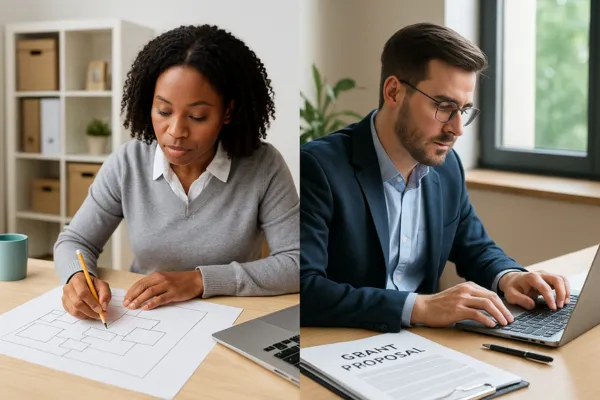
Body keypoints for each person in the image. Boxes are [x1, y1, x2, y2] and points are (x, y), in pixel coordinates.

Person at [300, 22, 570, 333]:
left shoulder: (446, 165)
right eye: (444, 107)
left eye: (464, 110)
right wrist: (421, 307)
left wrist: (510, 276)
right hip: (343, 343)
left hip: (423, 343)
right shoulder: (319, 167)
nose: (457, 129)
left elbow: (474, 246)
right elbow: (305, 289)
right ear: (393, 92)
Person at [55, 24, 299, 321]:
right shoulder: (128, 163)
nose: (176, 131)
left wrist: (199, 281)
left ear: (228, 112)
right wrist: (76, 278)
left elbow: (297, 263)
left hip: (234, 319)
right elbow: (75, 241)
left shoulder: (263, 165)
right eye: (164, 111)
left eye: (197, 116)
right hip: (144, 319)